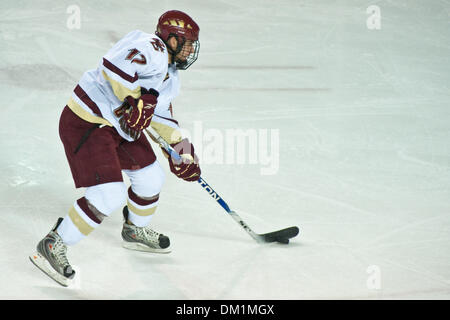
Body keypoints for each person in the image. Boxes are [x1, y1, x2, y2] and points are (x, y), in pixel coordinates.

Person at [29, 10, 201, 286]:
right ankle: (52, 244)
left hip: (119, 127)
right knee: (109, 193)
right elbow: (112, 67)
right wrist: (135, 101)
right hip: (88, 120)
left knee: (151, 177)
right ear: (170, 40)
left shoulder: (171, 75)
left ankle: (134, 231)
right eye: (188, 42)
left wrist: (182, 150)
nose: (192, 50)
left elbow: (161, 116)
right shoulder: (150, 46)